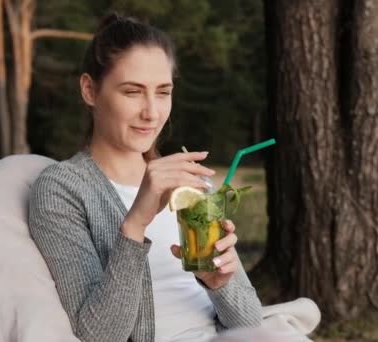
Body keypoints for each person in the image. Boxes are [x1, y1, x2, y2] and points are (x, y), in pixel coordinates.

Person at [28, 13, 262, 342]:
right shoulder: (62, 189)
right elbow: (99, 335)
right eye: (132, 92)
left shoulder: (189, 184)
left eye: (163, 92)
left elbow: (251, 322)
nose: (151, 112)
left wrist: (219, 283)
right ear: (90, 90)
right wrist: (136, 224)